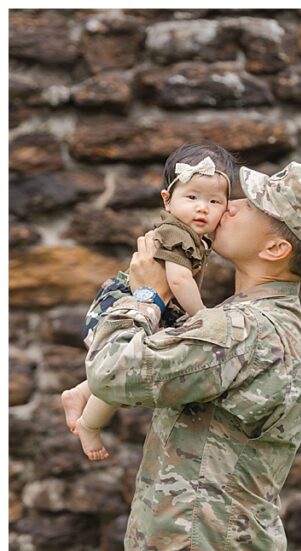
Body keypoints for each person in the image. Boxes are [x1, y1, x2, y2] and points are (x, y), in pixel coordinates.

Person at [84, 161, 301, 551]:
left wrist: (145, 294)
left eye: (249, 204)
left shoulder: (243, 331)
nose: (227, 206)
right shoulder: (261, 323)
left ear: (274, 249)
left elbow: (112, 370)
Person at [62, 143, 234, 461]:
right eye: (192, 197)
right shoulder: (176, 234)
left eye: (214, 201)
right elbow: (179, 281)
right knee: (127, 370)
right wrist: (202, 316)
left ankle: (80, 393)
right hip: (127, 304)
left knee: (131, 368)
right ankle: (89, 424)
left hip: (151, 307)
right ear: (167, 200)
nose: (202, 209)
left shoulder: (195, 236)